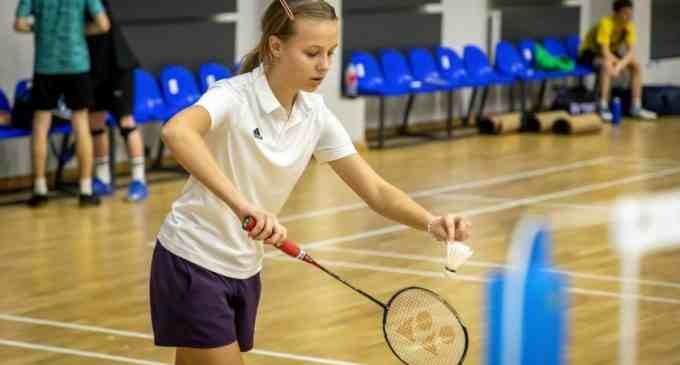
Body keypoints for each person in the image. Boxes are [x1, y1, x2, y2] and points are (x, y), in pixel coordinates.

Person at [149, 1, 472, 364]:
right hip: (194, 258)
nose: (325, 65)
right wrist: (243, 205)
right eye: (312, 53)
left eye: (331, 53)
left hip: (244, 267)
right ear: (275, 46)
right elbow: (177, 132)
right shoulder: (234, 96)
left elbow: (376, 191)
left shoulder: (314, 114)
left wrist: (431, 222)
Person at [14, 0, 110, 207]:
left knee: (40, 125)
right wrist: (81, 31)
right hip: (76, 64)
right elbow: (103, 24)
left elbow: (20, 24)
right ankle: (85, 190)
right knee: (81, 124)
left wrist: (39, 28)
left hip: (45, 66)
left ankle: (40, 189)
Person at [86, 0, 148, 202]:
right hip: (93, 69)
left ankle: (139, 181)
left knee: (126, 122)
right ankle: (103, 179)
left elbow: (103, 24)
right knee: (95, 122)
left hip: (117, 67)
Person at [579, 0, 657, 121]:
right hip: (589, 53)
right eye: (625, 13)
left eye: (630, 14)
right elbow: (604, 52)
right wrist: (615, 66)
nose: (628, 17)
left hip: (611, 52)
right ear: (616, 13)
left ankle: (636, 107)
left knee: (636, 66)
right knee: (607, 64)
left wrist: (619, 67)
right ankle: (603, 106)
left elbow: (630, 53)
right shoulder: (606, 23)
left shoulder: (629, 26)